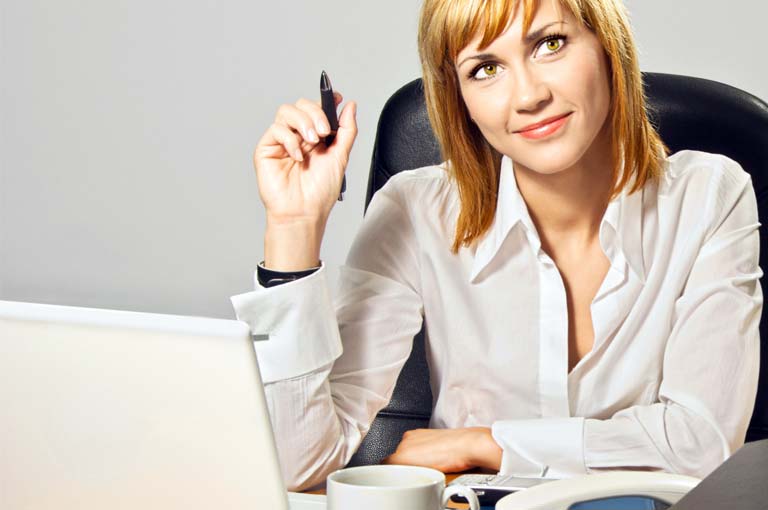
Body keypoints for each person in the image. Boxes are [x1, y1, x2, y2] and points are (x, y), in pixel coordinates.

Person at [233, 0, 762, 492]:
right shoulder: (416, 212)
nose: (529, 96)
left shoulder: (710, 196)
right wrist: (293, 226)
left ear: (607, 44)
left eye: (549, 44)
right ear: (459, 100)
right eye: (485, 69)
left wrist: (483, 443)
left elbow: (702, 446)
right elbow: (296, 467)